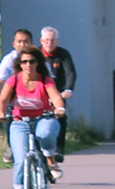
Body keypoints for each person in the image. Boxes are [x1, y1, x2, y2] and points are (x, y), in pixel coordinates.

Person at [0, 46, 65, 189]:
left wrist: (59, 108)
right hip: (20, 122)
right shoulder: (14, 80)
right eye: (24, 61)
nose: (28, 65)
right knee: (19, 161)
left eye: (32, 61)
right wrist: (0, 113)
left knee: (46, 132)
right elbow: (2, 100)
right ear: (20, 64)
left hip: (43, 118)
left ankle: (50, 161)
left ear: (37, 63)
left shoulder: (44, 80)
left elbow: (55, 96)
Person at [0, 28, 33, 164]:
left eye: (26, 42)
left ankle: (47, 159)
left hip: (33, 98)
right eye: (19, 41)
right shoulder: (9, 59)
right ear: (14, 44)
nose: (22, 45)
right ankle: (11, 146)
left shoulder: (37, 59)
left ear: (31, 43)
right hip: (13, 99)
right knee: (9, 122)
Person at [40, 26, 76, 164]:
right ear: (42, 40)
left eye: (53, 40)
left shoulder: (63, 54)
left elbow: (70, 73)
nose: (49, 43)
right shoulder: (36, 54)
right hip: (39, 93)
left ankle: (59, 150)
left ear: (57, 41)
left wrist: (68, 90)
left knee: (60, 116)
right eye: (47, 40)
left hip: (57, 93)